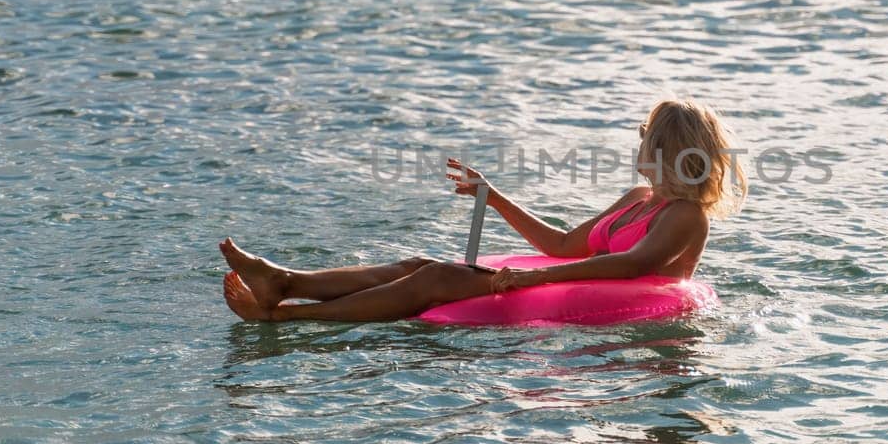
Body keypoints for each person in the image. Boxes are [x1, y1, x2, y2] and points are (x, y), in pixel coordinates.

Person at [220, 98, 746, 323]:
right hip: (575, 282)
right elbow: (562, 246)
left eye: (644, 139)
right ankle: (284, 281)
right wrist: (493, 197)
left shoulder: (685, 216)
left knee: (437, 279)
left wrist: (529, 284)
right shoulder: (639, 201)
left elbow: (631, 268)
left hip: (616, 305)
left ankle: (287, 320)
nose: (636, 147)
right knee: (419, 266)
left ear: (667, 151)